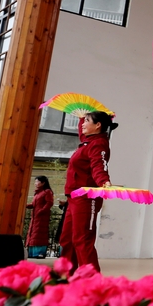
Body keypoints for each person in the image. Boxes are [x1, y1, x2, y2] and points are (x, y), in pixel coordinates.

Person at [60, 111, 116, 272]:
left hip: (87, 197)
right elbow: (82, 133)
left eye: (87, 121)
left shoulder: (98, 144)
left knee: (83, 240)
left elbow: (99, 165)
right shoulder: (88, 142)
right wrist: (80, 118)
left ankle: (92, 282)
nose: (83, 124)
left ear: (98, 125)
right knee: (67, 239)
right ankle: (65, 277)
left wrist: (104, 181)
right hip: (74, 196)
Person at [26, 176, 54, 258]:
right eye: (35, 182)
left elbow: (49, 203)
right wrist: (26, 205)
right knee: (33, 233)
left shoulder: (47, 192)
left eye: (37, 181)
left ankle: (39, 253)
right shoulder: (38, 193)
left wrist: (41, 211)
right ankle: (32, 253)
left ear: (43, 183)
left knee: (39, 234)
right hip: (35, 217)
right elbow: (33, 204)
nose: (35, 183)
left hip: (42, 217)